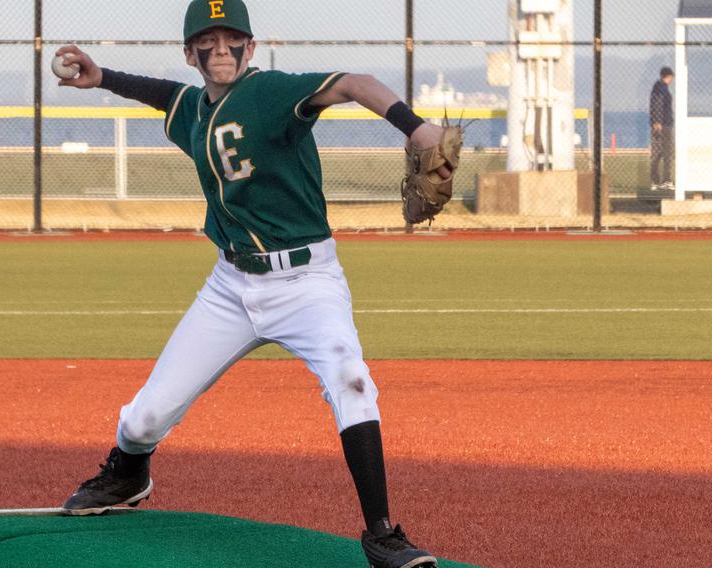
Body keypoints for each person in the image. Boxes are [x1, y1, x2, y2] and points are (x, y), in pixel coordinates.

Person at [56, 1, 452, 566]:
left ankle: (382, 533)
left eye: (232, 40)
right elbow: (167, 95)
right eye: (208, 42)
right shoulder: (194, 107)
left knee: (351, 380)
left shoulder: (271, 93)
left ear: (251, 47)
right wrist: (103, 79)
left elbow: (355, 83)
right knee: (143, 419)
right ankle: (128, 475)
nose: (222, 51)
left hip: (308, 282)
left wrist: (416, 128)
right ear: (189, 52)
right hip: (230, 286)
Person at [650, 66, 675, 191]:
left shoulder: (658, 87)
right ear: (668, 77)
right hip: (664, 124)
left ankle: (655, 181)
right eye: (671, 78)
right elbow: (658, 104)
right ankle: (665, 180)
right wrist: (658, 121)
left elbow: (656, 104)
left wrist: (655, 121)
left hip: (661, 123)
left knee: (658, 153)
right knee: (667, 152)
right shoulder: (662, 89)